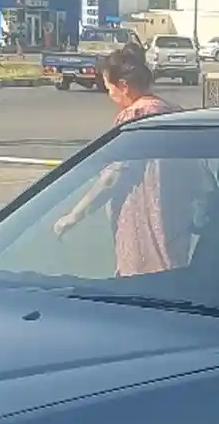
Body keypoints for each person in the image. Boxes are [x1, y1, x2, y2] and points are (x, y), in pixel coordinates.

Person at [51, 47, 190, 274]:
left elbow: (114, 175)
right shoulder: (172, 111)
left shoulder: (136, 116)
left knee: (141, 285)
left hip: (144, 222)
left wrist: (74, 215)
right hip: (176, 221)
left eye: (109, 88)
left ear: (124, 86)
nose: (110, 96)